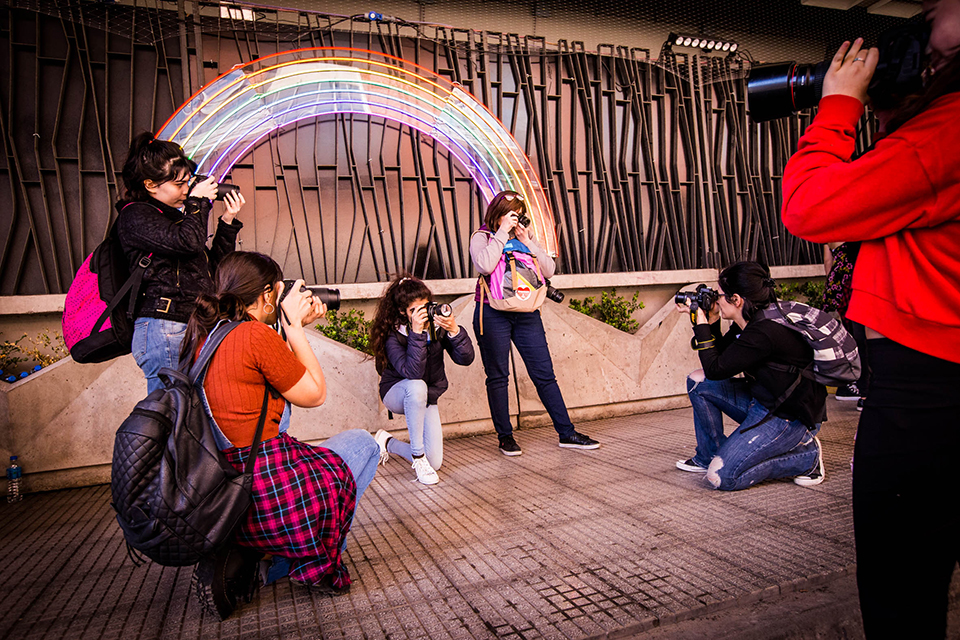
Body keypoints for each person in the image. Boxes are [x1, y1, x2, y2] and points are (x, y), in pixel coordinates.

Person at [780, 2, 960, 635]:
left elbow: (807, 207)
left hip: (933, 390)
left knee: (901, 589)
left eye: (930, 40)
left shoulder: (946, 132)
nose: (911, 47)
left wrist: (838, 108)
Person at [178, 251, 383, 618]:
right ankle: (290, 562)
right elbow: (314, 395)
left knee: (315, 452)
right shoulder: (254, 335)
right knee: (364, 444)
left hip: (218, 488)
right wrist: (294, 328)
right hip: (262, 487)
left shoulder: (203, 336)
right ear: (269, 295)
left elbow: (270, 379)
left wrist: (287, 329)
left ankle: (252, 553)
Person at [674, 261, 827, 491]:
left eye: (721, 295)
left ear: (737, 299)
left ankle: (807, 456)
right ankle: (707, 454)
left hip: (788, 418)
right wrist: (712, 322)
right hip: (762, 402)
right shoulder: (750, 320)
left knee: (721, 477)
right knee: (698, 382)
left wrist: (701, 323)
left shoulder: (764, 331)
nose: (717, 300)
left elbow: (716, 369)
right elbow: (720, 362)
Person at [470, 190, 599, 456]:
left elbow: (549, 270)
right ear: (498, 213)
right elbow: (484, 265)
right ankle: (505, 437)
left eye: (518, 213)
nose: (515, 218)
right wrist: (502, 233)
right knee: (498, 377)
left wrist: (528, 241)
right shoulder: (482, 237)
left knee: (544, 374)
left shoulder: (523, 237)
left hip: (527, 312)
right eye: (510, 213)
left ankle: (567, 432)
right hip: (491, 311)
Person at [117, 131, 245, 393]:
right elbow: (188, 243)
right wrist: (198, 202)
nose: (186, 191)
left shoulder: (177, 220)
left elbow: (214, 272)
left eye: (189, 183)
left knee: (192, 416)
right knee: (173, 415)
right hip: (166, 325)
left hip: (191, 324)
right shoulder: (136, 216)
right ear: (151, 184)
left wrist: (227, 222)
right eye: (179, 185)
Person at [369, 274, 475, 484]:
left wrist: (453, 330)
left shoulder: (437, 330)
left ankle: (387, 442)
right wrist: (417, 333)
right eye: (414, 310)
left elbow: (466, 359)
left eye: (425, 307)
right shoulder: (394, 336)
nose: (422, 315)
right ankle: (417, 457)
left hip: (426, 395)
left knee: (434, 461)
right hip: (396, 392)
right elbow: (413, 373)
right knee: (417, 385)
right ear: (402, 312)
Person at [820, 241, 868, 407]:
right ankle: (863, 390)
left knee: (854, 338)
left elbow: (828, 262)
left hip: (841, 283)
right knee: (866, 338)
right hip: (860, 283)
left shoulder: (833, 229)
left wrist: (832, 284)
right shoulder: (860, 234)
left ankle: (855, 386)